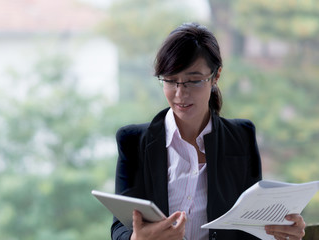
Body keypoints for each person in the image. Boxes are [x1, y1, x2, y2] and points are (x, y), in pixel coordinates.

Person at [111, 23, 306, 240]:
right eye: (170, 81)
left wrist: (282, 230)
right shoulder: (133, 141)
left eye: (193, 81)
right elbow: (119, 228)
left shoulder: (241, 138)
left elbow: (252, 226)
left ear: (216, 76)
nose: (180, 93)